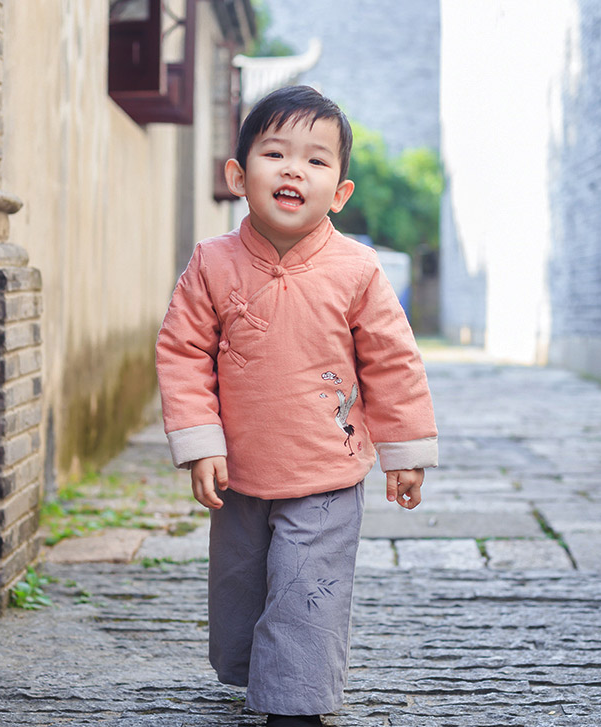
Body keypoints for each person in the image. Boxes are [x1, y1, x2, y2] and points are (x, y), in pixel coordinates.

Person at [156, 85, 438, 727]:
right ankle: (250, 669)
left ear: (339, 191)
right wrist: (201, 441)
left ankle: (297, 704)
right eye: (274, 152)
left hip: (326, 470)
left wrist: (405, 451)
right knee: (240, 585)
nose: (293, 169)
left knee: (307, 586)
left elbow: (393, 363)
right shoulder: (212, 263)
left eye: (315, 160)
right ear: (237, 175)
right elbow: (182, 351)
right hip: (240, 471)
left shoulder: (357, 270)